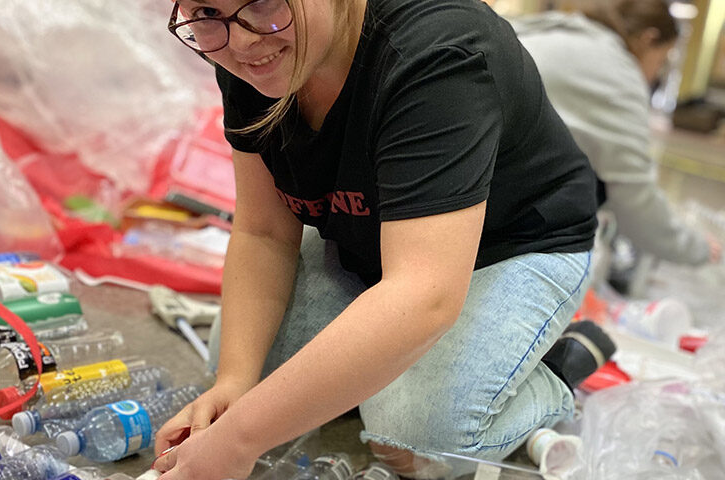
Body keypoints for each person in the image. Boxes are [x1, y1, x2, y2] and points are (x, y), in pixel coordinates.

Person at [153, 0, 601, 478]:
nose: (242, 41)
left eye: (262, 2)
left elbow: (423, 294)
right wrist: (234, 383)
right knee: (248, 376)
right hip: (377, 238)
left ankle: (559, 367)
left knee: (413, 442)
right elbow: (264, 232)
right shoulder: (249, 51)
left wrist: (240, 439)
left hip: (516, 243)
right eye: (206, 12)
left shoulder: (437, 54)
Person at [511, 0, 722, 272]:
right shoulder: (615, 72)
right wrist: (697, 248)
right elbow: (635, 202)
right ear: (648, 39)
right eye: (661, 60)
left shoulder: (553, 29)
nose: (656, 73)